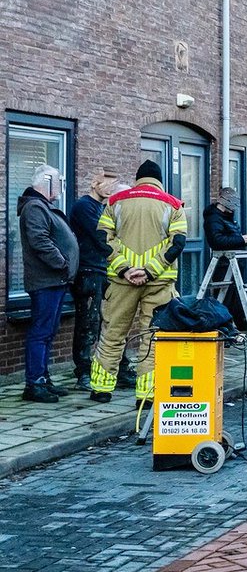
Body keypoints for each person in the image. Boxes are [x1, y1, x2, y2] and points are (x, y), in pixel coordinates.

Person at [89, 160, 188, 405]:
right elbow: (177, 244)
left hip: (121, 282)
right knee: (152, 337)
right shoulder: (174, 205)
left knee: (112, 333)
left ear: (137, 179)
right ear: (159, 181)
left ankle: (101, 389)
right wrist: (150, 271)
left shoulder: (115, 202)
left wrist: (125, 269)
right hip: (158, 283)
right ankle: (147, 395)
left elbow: (102, 238)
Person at [17, 165, 79, 403]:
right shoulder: (35, 207)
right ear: (47, 182)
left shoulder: (41, 206)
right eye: (59, 182)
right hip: (46, 281)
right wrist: (62, 263)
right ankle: (35, 383)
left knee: (48, 332)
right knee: (41, 332)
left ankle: (43, 379)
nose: (61, 188)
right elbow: (39, 240)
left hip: (55, 280)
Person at [68, 168, 128, 392]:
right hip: (88, 271)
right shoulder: (84, 207)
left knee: (112, 321)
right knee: (88, 323)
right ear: (94, 184)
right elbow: (102, 236)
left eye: (114, 184)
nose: (111, 188)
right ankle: (83, 372)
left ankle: (116, 369)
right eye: (107, 183)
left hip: (103, 270)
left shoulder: (102, 208)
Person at [204, 187, 247, 329]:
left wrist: (241, 239)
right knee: (225, 299)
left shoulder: (227, 217)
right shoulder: (213, 218)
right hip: (223, 264)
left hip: (233, 263)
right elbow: (216, 241)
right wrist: (240, 240)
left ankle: (238, 327)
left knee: (235, 298)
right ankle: (224, 329)